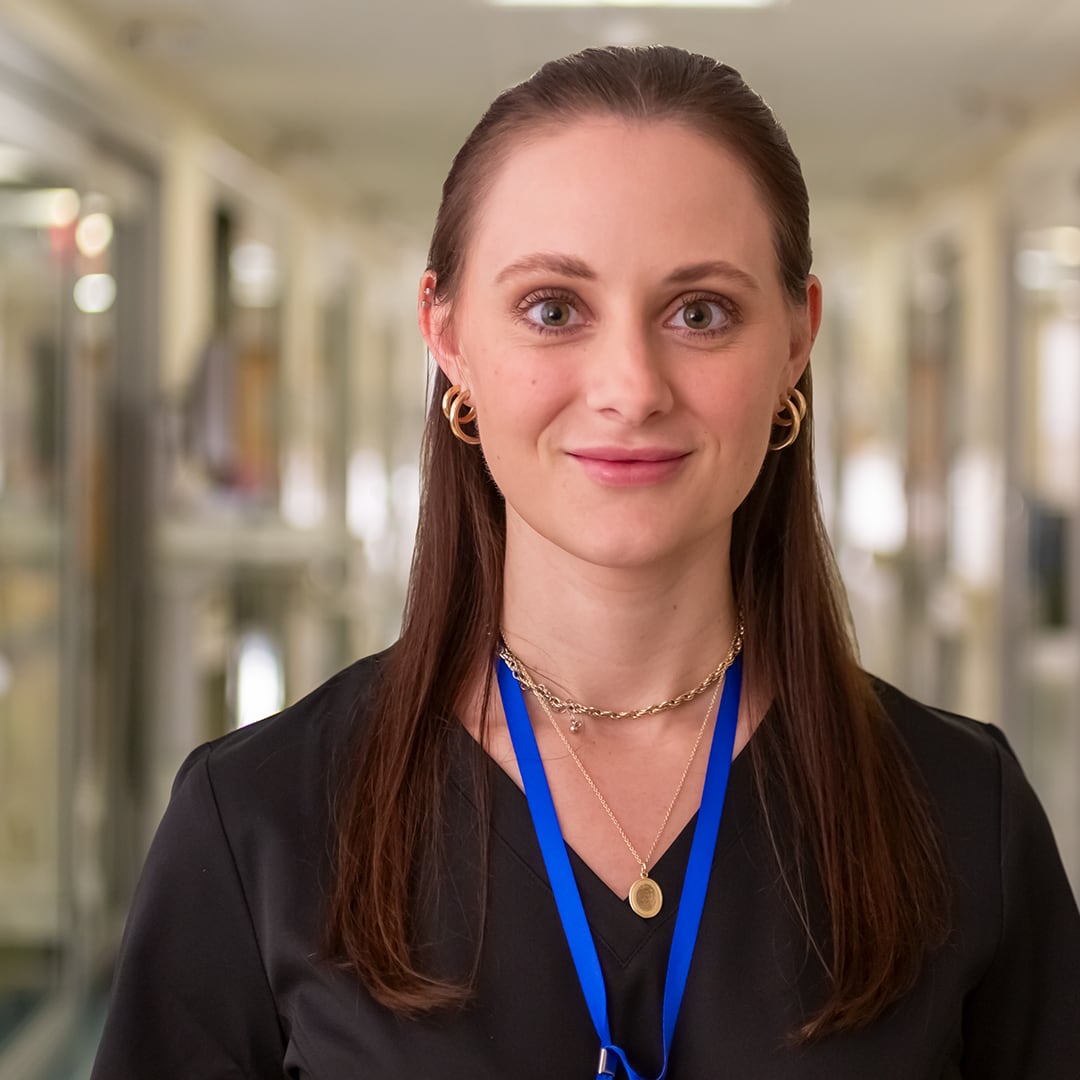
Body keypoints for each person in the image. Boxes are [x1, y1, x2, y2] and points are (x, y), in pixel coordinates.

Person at [92, 45, 1080, 1079]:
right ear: (448, 338)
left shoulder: (965, 813)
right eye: (554, 309)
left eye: (699, 312)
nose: (630, 387)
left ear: (796, 340)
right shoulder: (262, 823)